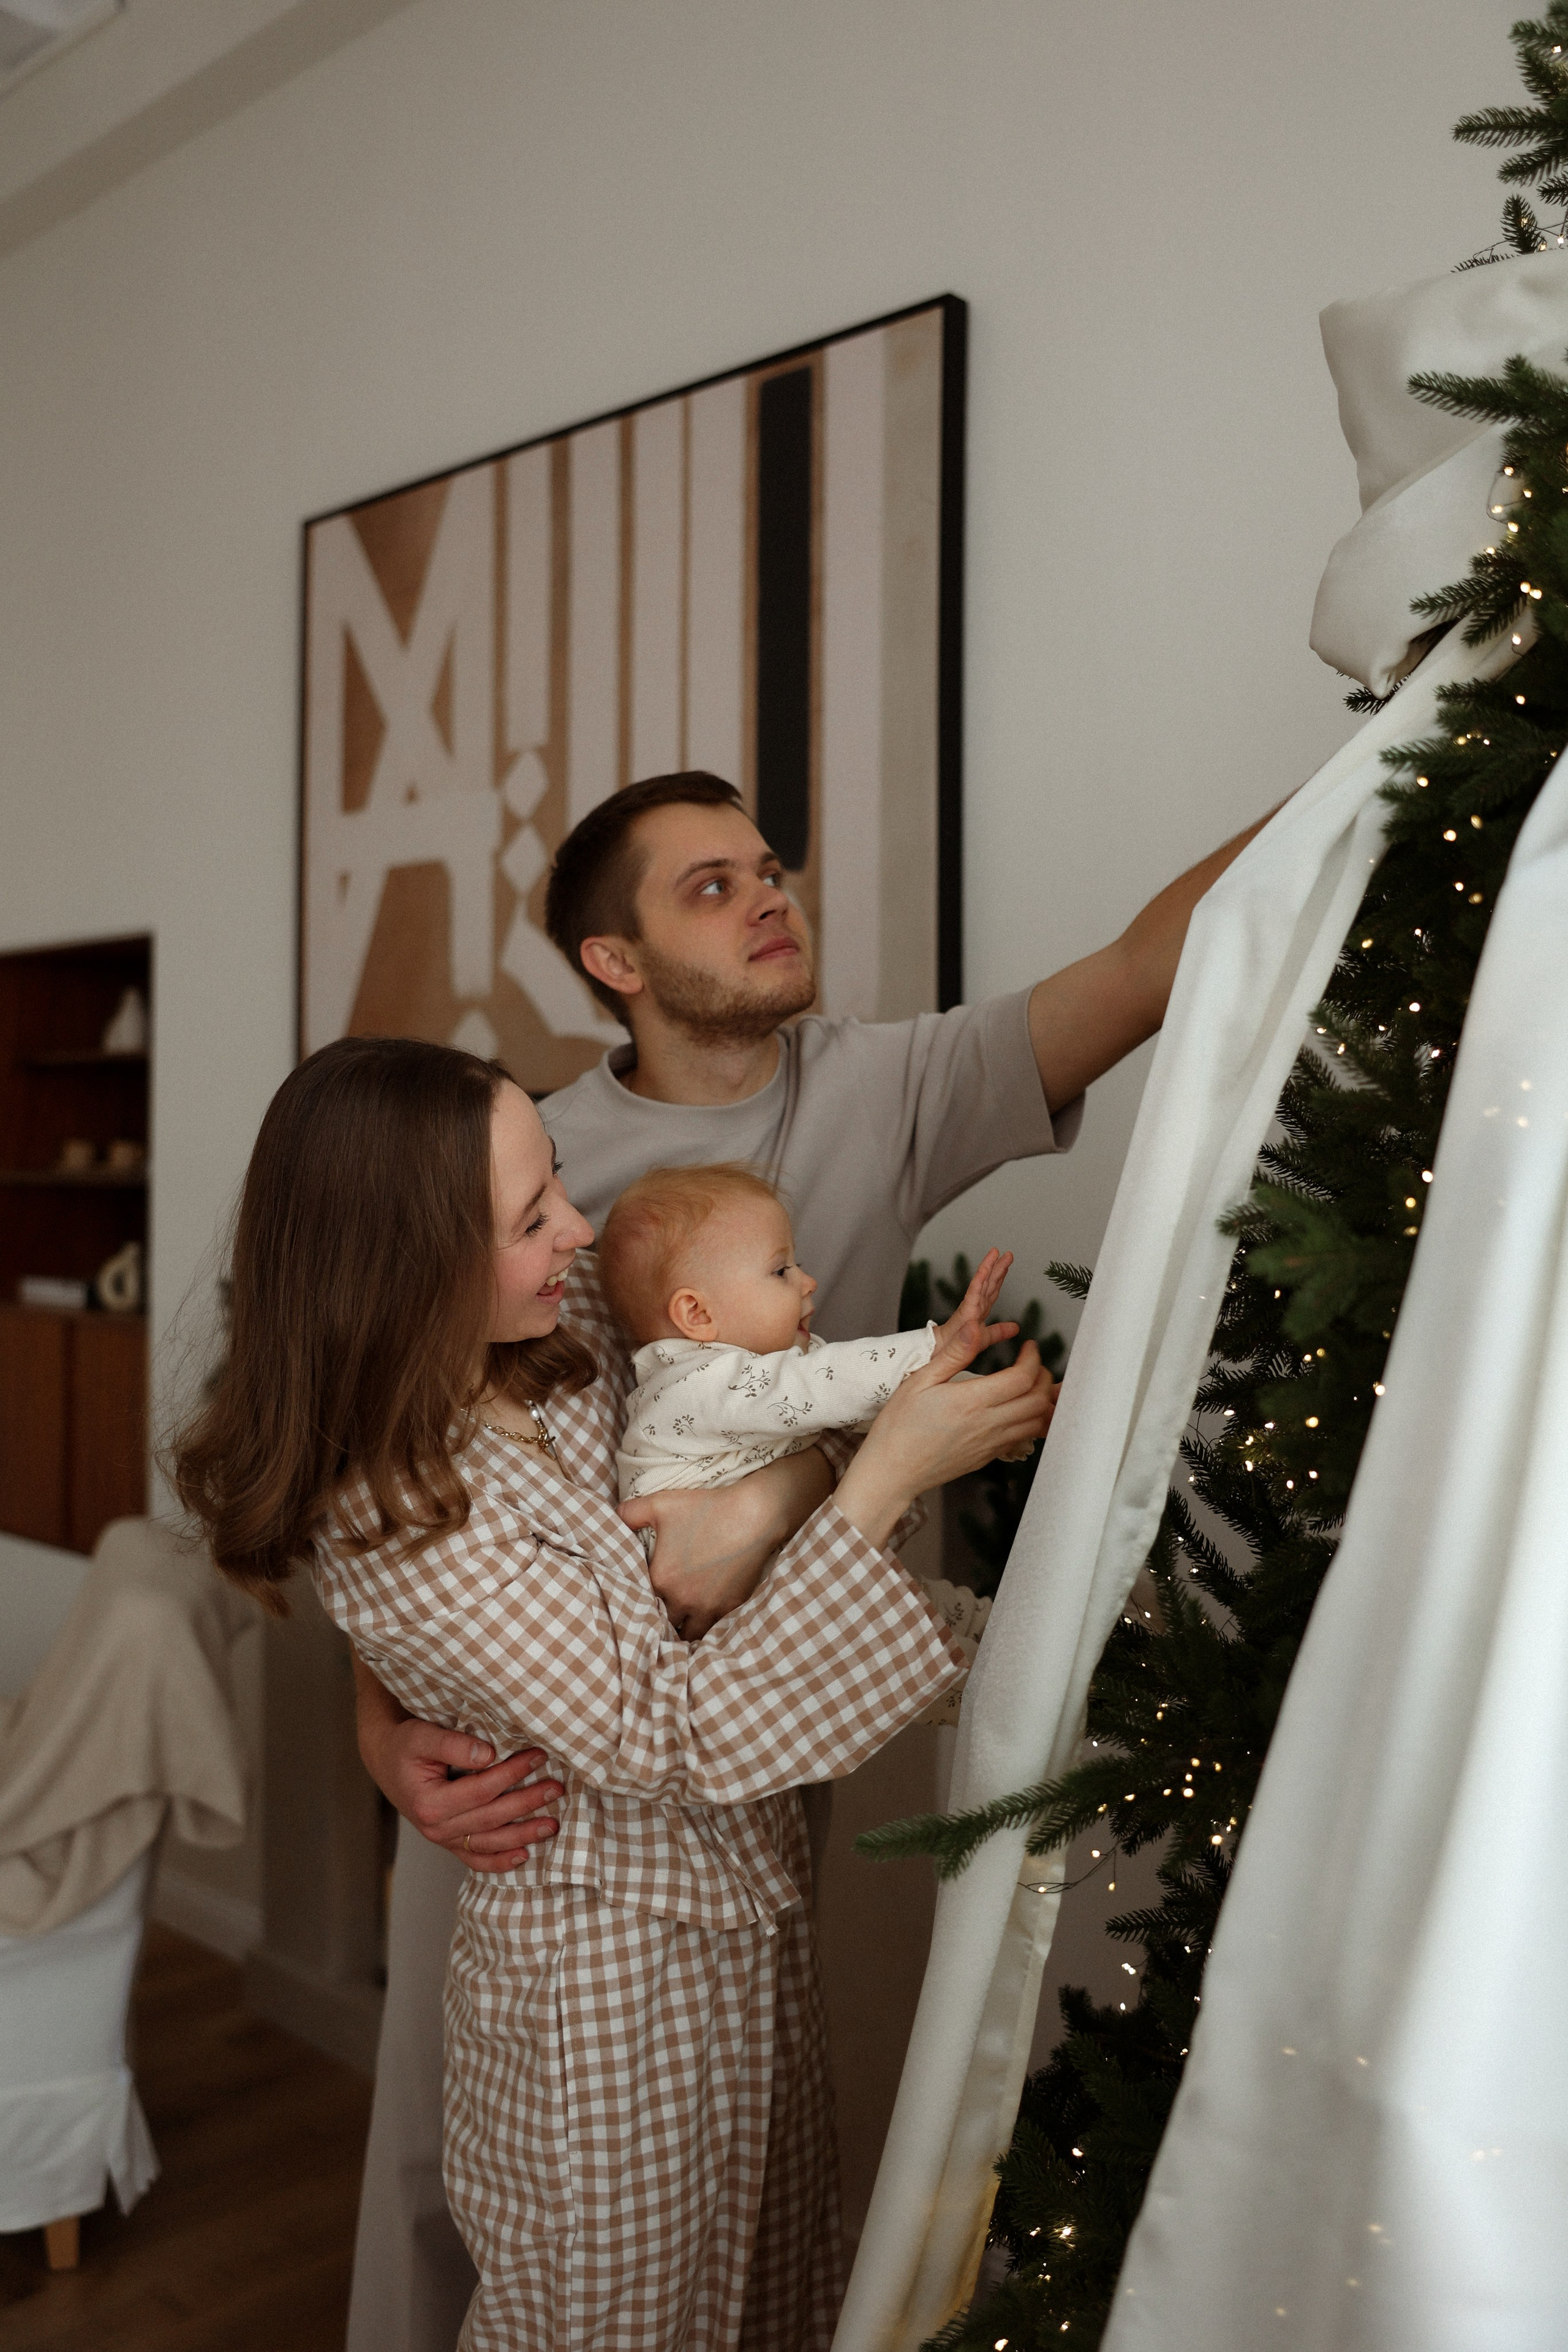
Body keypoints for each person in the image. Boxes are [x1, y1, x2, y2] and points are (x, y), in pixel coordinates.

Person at [347, 769, 1277, 2351]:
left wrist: (1358, 767)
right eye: (708, 886)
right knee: (465, 2166)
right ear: (614, 962)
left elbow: (1142, 970)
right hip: (531, 1769)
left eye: (767, 866)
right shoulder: (536, 1168)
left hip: (775, 1709)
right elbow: (409, 1461)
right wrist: (381, 1730)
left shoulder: (883, 1085)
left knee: (736, 2179)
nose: (769, 895)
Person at [173, 1038, 1055, 2351]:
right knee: (607, 2322)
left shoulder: (558, 1335)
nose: (578, 1234)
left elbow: (751, 1414)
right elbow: (671, 1731)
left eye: (558, 1188)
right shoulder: (402, 1521)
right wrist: (876, 1479)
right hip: (605, 1993)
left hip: (741, 1928)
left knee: (762, 2293)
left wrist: (770, 1496)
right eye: (531, 1221)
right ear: (409, 1272)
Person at [598, 1162, 1023, 1510]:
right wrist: (934, 1345)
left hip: (786, 1576)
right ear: (697, 1313)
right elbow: (832, 1381)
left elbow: (882, 1398)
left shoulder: (769, 1374)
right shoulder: (691, 1388)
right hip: (739, 1602)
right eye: (782, 1271)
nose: (809, 1282)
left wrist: (993, 1401)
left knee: (939, 1608)